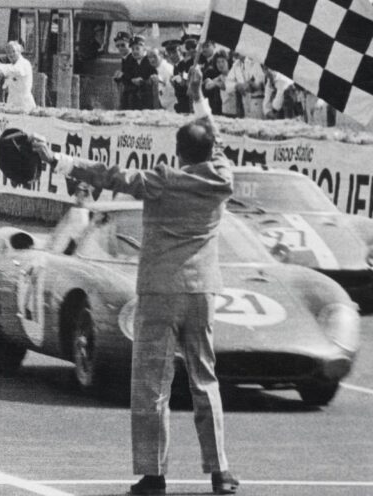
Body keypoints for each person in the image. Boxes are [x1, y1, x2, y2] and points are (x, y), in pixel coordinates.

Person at [29, 112, 240, 496]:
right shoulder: (222, 179)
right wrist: (197, 99)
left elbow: (112, 175)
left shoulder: (162, 180)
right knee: (205, 380)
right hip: (201, 291)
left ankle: (153, 475)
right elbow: (218, 146)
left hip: (160, 291)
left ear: (178, 154)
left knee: (151, 385)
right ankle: (220, 471)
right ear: (211, 151)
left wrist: (57, 159)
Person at [0, 41, 36, 112]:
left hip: (25, 105)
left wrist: (2, 71)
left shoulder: (25, 63)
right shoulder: (11, 66)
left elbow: (16, 70)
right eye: (8, 52)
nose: (11, 54)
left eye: (13, 51)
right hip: (12, 103)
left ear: (19, 52)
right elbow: (0, 68)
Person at [121, 36, 158, 110]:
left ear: (144, 48)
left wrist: (143, 81)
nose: (134, 51)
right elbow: (127, 76)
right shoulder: (131, 61)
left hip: (149, 99)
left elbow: (155, 78)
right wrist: (132, 80)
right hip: (135, 99)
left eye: (137, 48)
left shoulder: (149, 60)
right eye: (132, 49)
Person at [226, 54, 266, 120]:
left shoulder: (255, 61)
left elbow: (261, 81)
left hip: (257, 101)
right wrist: (237, 85)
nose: (236, 52)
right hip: (245, 102)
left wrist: (250, 85)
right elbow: (227, 84)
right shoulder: (236, 65)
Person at [171, 35, 199, 114]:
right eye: (188, 47)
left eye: (193, 47)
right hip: (185, 99)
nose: (191, 50)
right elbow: (183, 79)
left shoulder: (201, 60)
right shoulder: (183, 64)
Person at [147, 48, 176, 112]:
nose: (152, 59)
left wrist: (161, 81)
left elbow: (174, 90)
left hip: (173, 106)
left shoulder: (167, 68)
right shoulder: (158, 68)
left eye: (154, 56)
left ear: (161, 56)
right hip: (166, 106)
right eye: (149, 57)